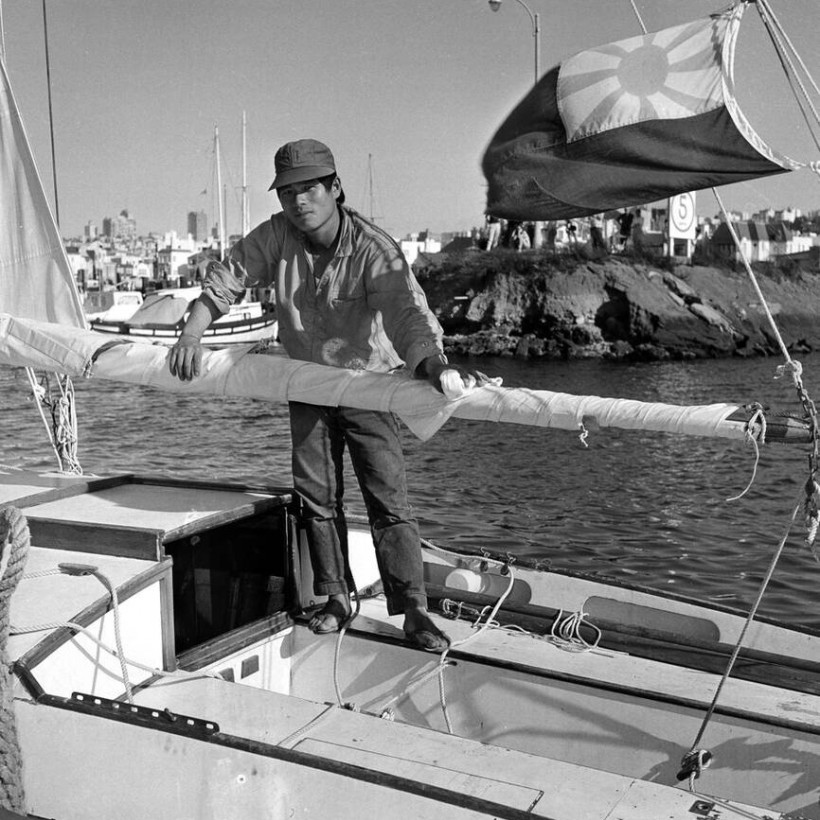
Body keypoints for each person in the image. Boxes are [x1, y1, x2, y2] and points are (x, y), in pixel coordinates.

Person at [168, 138, 483, 652]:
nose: (298, 201)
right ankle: (336, 598)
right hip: (307, 383)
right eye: (287, 192)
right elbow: (228, 278)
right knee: (316, 499)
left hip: (368, 386)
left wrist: (434, 367)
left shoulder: (372, 248)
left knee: (388, 499)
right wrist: (191, 335)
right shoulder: (277, 235)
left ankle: (414, 609)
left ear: (335, 188)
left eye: (310, 188)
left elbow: (406, 314)